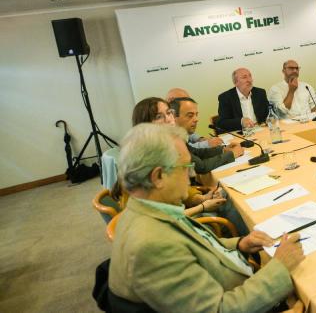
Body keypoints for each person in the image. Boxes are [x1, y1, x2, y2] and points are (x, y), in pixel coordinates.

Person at [110, 123, 304, 312]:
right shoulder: (151, 245)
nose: (191, 175)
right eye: (186, 167)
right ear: (158, 177)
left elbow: (195, 245)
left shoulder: (148, 209)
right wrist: (279, 267)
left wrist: (239, 244)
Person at [170, 97, 242, 174]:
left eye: (196, 115)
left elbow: (196, 152)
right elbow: (201, 166)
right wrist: (231, 154)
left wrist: (223, 150)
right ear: (173, 117)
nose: (196, 119)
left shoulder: (178, 136)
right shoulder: (172, 141)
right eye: (190, 116)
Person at [217, 68, 271, 132]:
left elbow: (268, 113)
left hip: (260, 130)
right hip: (240, 133)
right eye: (244, 77)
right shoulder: (226, 97)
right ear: (235, 82)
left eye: (250, 76)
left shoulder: (260, 93)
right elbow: (222, 122)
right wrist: (241, 121)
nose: (249, 80)